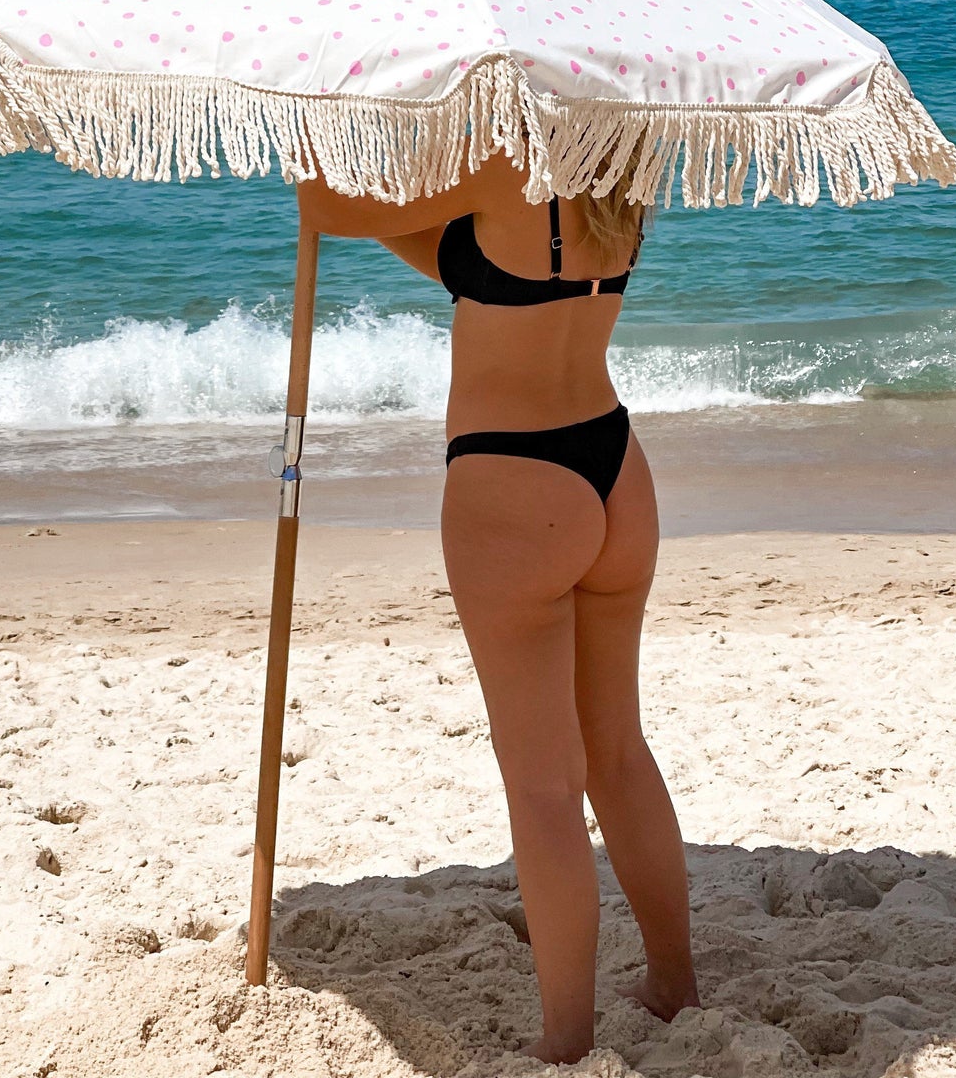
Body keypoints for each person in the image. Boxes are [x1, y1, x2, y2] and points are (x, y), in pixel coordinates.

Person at [297, 149, 700, 1066]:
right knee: (616, 752)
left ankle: (566, 1040)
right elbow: (472, 268)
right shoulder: (621, 181)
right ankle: (673, 980)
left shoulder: (498, 171)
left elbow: (324, 200)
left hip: (514, 482)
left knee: (544, 785)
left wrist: (317, 120)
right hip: (613, 468)